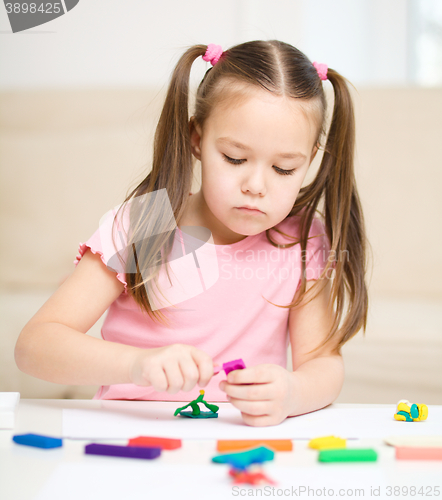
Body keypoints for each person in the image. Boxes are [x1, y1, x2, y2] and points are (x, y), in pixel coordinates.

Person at [15, 40, 368, 427]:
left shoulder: (302, 239)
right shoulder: (149, 224)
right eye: (235, 158)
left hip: (239, 442)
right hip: (129, 434)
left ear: (311, 158)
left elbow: (322, 365)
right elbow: (35, 346)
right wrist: (137, 364)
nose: (255, 185)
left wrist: (293, 392)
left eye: (284, 168)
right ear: (197, 138)